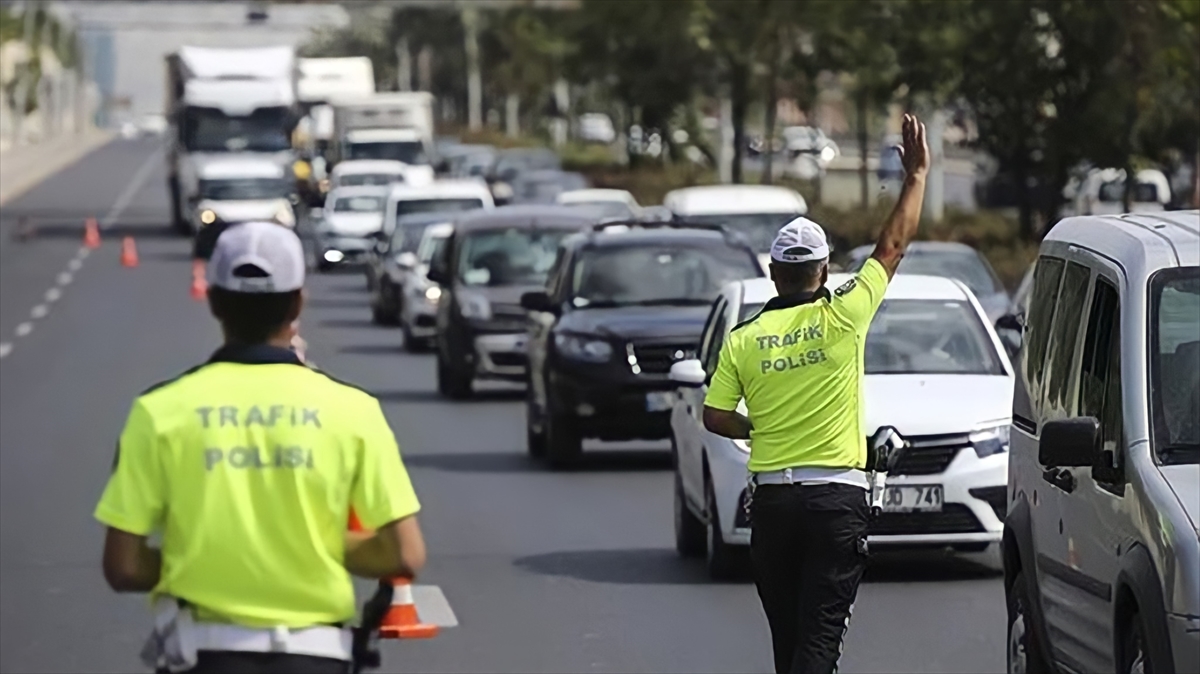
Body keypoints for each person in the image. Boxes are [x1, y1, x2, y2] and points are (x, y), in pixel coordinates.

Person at [95, 221, 426, 674]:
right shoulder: (354, 411)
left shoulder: (159, 412)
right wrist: (311, 545)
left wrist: (204, 558)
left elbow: (123, 566)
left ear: (213, 301)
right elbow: (404, 554)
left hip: (203, 656)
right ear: (298, 304)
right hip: (318, 655)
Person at [702, 114, 929, 674]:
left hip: (774, 506)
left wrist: (758, 428)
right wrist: (917, 176)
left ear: (774, 274)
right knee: (819, 643)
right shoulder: (845, 313)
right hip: (835, 503)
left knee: (790, 642)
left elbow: (713, 416)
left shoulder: (744, 339)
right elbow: (893, 245)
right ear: (824, 271)